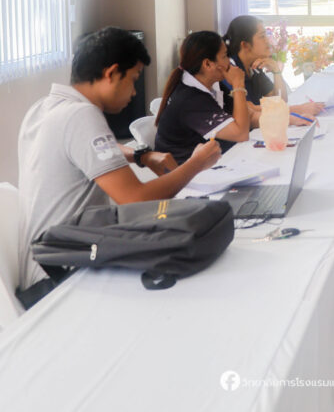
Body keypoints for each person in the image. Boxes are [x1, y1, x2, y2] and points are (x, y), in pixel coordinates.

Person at [16, 27, 221, 303]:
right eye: (133, 79)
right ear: (112, 73)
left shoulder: (46, 107)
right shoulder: (82, 115)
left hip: (42, 265)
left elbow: (93, 149)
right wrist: (195, 164)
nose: (135, 92)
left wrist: (142, 156)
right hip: (62, 275)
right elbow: (135, 199)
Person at [155, 31, 252, 165]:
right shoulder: (190, 100)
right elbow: (241, 134)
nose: (229, 62)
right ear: (207, 64)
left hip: (210, 161)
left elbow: (248, 116)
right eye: (224, 56)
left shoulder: (212, 85)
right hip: (186, 171)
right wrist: (238, 85)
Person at [221, 15, 323, 119]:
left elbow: (280, 100)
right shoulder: (230, 70)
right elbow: (250, 109)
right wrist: (299, 109)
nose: (268, 41)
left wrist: (276, 70)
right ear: (245, 45)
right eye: (262, 36)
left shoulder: (254, 68)